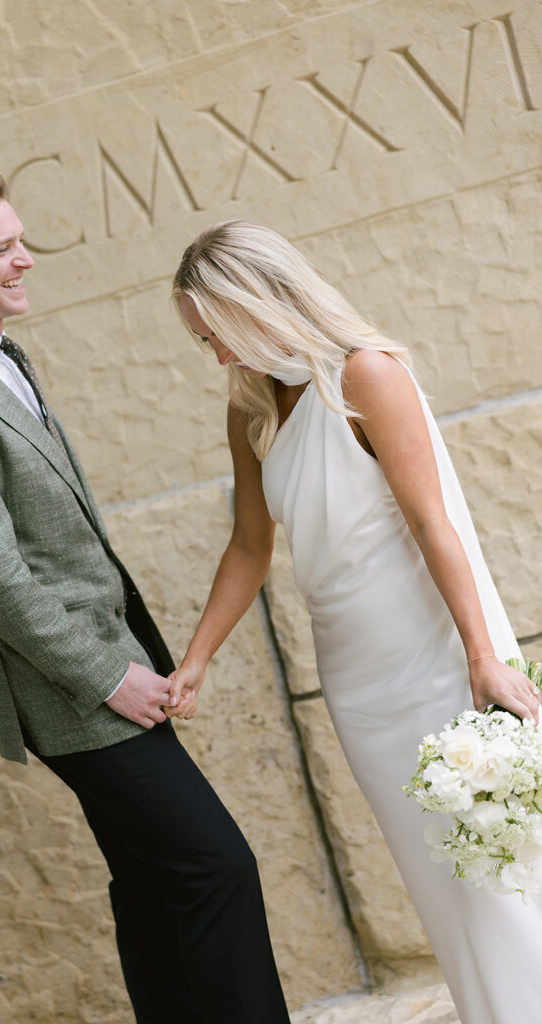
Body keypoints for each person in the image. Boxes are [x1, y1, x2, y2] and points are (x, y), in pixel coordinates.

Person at [0, 172, 291, 1024]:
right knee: (214, 868)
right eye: (1, 249)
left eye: (18, 240)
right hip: (74, 687)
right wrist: (108, 674)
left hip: (105, 665)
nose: (25, 258)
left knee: (152, 884)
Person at [167, 219, 542, 1024]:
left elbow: (430, 521)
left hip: (438, 657)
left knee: (496, 871)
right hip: (356, 682)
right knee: (439, 883)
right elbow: (248, 545)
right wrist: (195, 658)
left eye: (219, 334)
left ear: (261, 303)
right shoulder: (250, 413)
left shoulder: (363, 375)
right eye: (204, 343)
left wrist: (482, 654)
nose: (219, 356)